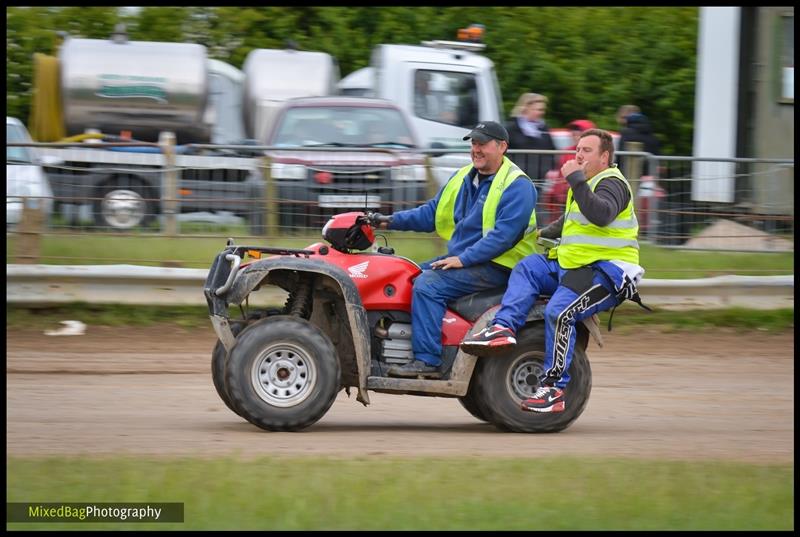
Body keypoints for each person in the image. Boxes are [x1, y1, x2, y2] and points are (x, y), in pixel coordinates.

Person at [460, 128, 645, 412]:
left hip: (606, 272)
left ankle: (554, 390)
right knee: (529, 267)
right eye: (577, 149)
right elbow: (573, 220)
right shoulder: (587, 183)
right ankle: (502, 328)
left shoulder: (612, 183)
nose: (578, 154)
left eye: (586, 150)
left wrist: (575, 178)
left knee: (559, 313)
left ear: (605, 156)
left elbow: (601, 215)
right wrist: (542, 232)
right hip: (574, 264)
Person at [377, 121, 538, 378]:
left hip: (499, 266)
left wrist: (463, 259)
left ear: (502, 147)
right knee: (403, 275)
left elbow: (503, 237)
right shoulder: (463, 177)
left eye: (482, 143)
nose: (476, 149)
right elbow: (431, 213)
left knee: (428, 284)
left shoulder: (517, 185)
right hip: (466, 260)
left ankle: (428, 361)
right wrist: (388, 220)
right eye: (473, 143)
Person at [542, 119, 597, 225]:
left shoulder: (594, 155)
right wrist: (555, 196)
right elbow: (559, 175)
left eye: (579, 134)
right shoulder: (566, 151)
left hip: (582, 197)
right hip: (564, 198)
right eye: (573, 134)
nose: (575, 136)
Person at [505, 93, 556, 183]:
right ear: (526, 108)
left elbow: (552, 150)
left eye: (543, 110)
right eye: (538, 109)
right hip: (516, 177)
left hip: (539, 179)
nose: (542, 112)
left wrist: (551, 169)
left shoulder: (543, 128)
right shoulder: (511, 127)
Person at [617, 111, 661, 176]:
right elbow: (657, 157)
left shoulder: (625, 133)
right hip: (647, 174)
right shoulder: (653, 137)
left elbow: (620, 155)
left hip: (627, 172)